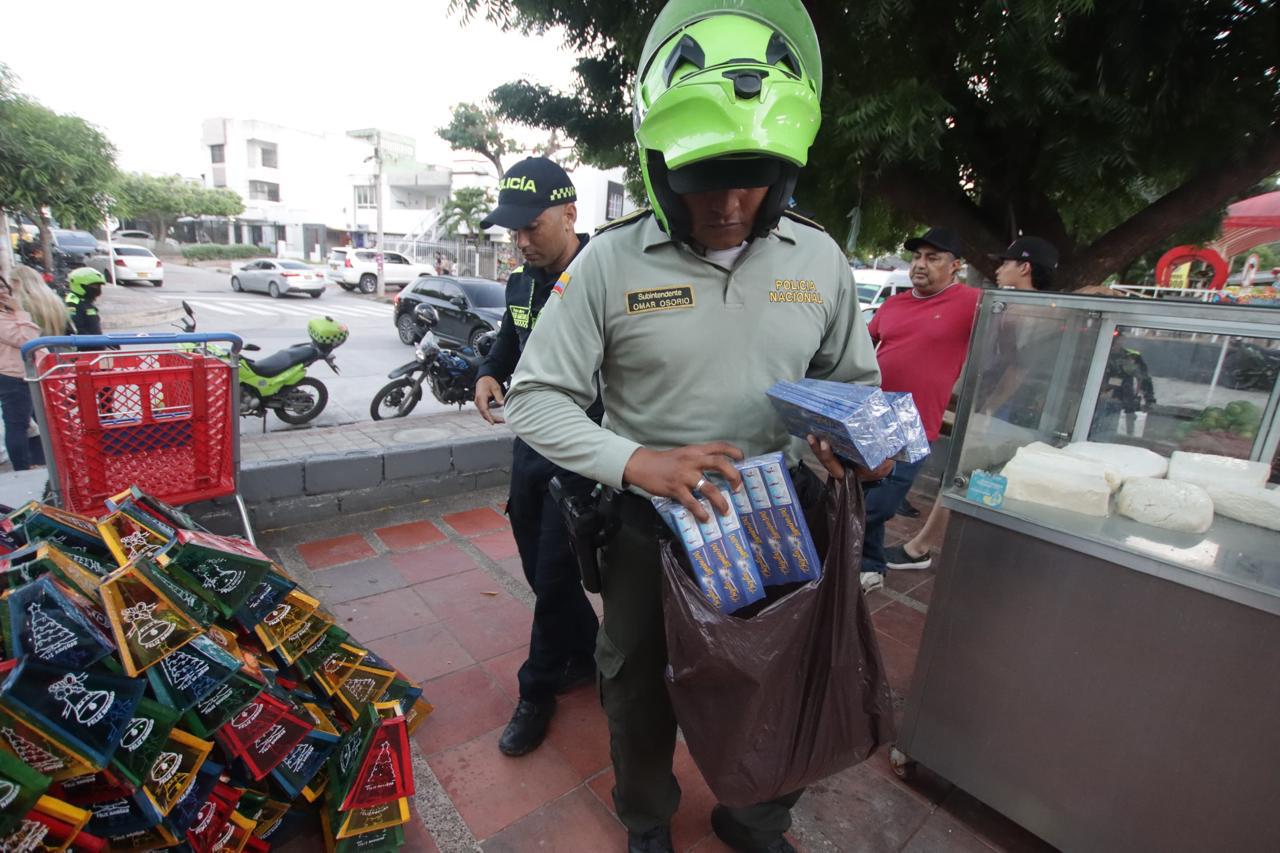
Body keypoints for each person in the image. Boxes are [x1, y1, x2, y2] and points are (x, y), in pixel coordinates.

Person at [504, 3, 887, 850]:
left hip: (777, 516)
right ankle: (646, 817)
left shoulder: (819, 259)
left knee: (770, 679)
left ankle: (755, 816)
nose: (727, 201)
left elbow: (852, 382)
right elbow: (535, 400)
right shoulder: (611, 260)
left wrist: (847, 439)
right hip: (648, 530)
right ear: (661, 162)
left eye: (751, 175)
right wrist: (637, 462)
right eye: (705, 176)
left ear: (783, 170)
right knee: (637, 686)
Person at [472, 157, 600, 758]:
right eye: (512, 231)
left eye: (533, 228)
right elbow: (509, 338)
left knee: (553, 574)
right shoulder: (521, 282)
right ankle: (588, 651)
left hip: (585, 451)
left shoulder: (605, 275)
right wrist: (490, 372)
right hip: (530, 447)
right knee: (534, 562)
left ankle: (538, 690)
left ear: (571, 213)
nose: (521, 241)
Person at [887, 235, 1058, 570]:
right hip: (993, 408)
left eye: (1006, 263)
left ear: (1024, 267)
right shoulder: (1005, 305)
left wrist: (990, 408)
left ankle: (921, 549)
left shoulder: (1037, 311)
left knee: (966, 478)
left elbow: (1020, 367)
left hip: (1010, 412)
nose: (999, 268)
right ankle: (929, 548)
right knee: (967, 478)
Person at [860, 227, 980, 587]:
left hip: (916, 423)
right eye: (916, 257)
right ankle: (869, 566)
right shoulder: (894, 304)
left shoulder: (972, 302)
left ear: (955, 265)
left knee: (878, 503)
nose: (920, 265)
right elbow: (862, 347)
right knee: (864, 493)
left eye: (933, 258)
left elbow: (1019, 324)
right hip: (874, 415)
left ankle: (855, 560)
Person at [0, 271, 45, 470]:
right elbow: (27, 341)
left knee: (36, 422)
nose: (2, 291)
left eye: (3, 286)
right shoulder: (6, 316)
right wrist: (20, 311)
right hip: (12, 375)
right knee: (18, 424)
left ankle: (38, 463)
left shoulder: (8, 313)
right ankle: (22, 469)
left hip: (28, 374)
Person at [64, 267, 106, 338]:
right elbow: (77, 329)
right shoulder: (72, 303)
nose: (97, 289)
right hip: (85, 345)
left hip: (95, 344)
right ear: (79, 285)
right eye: (94, 285)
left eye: (99, 286)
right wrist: (96, 343)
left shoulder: (86, 302)